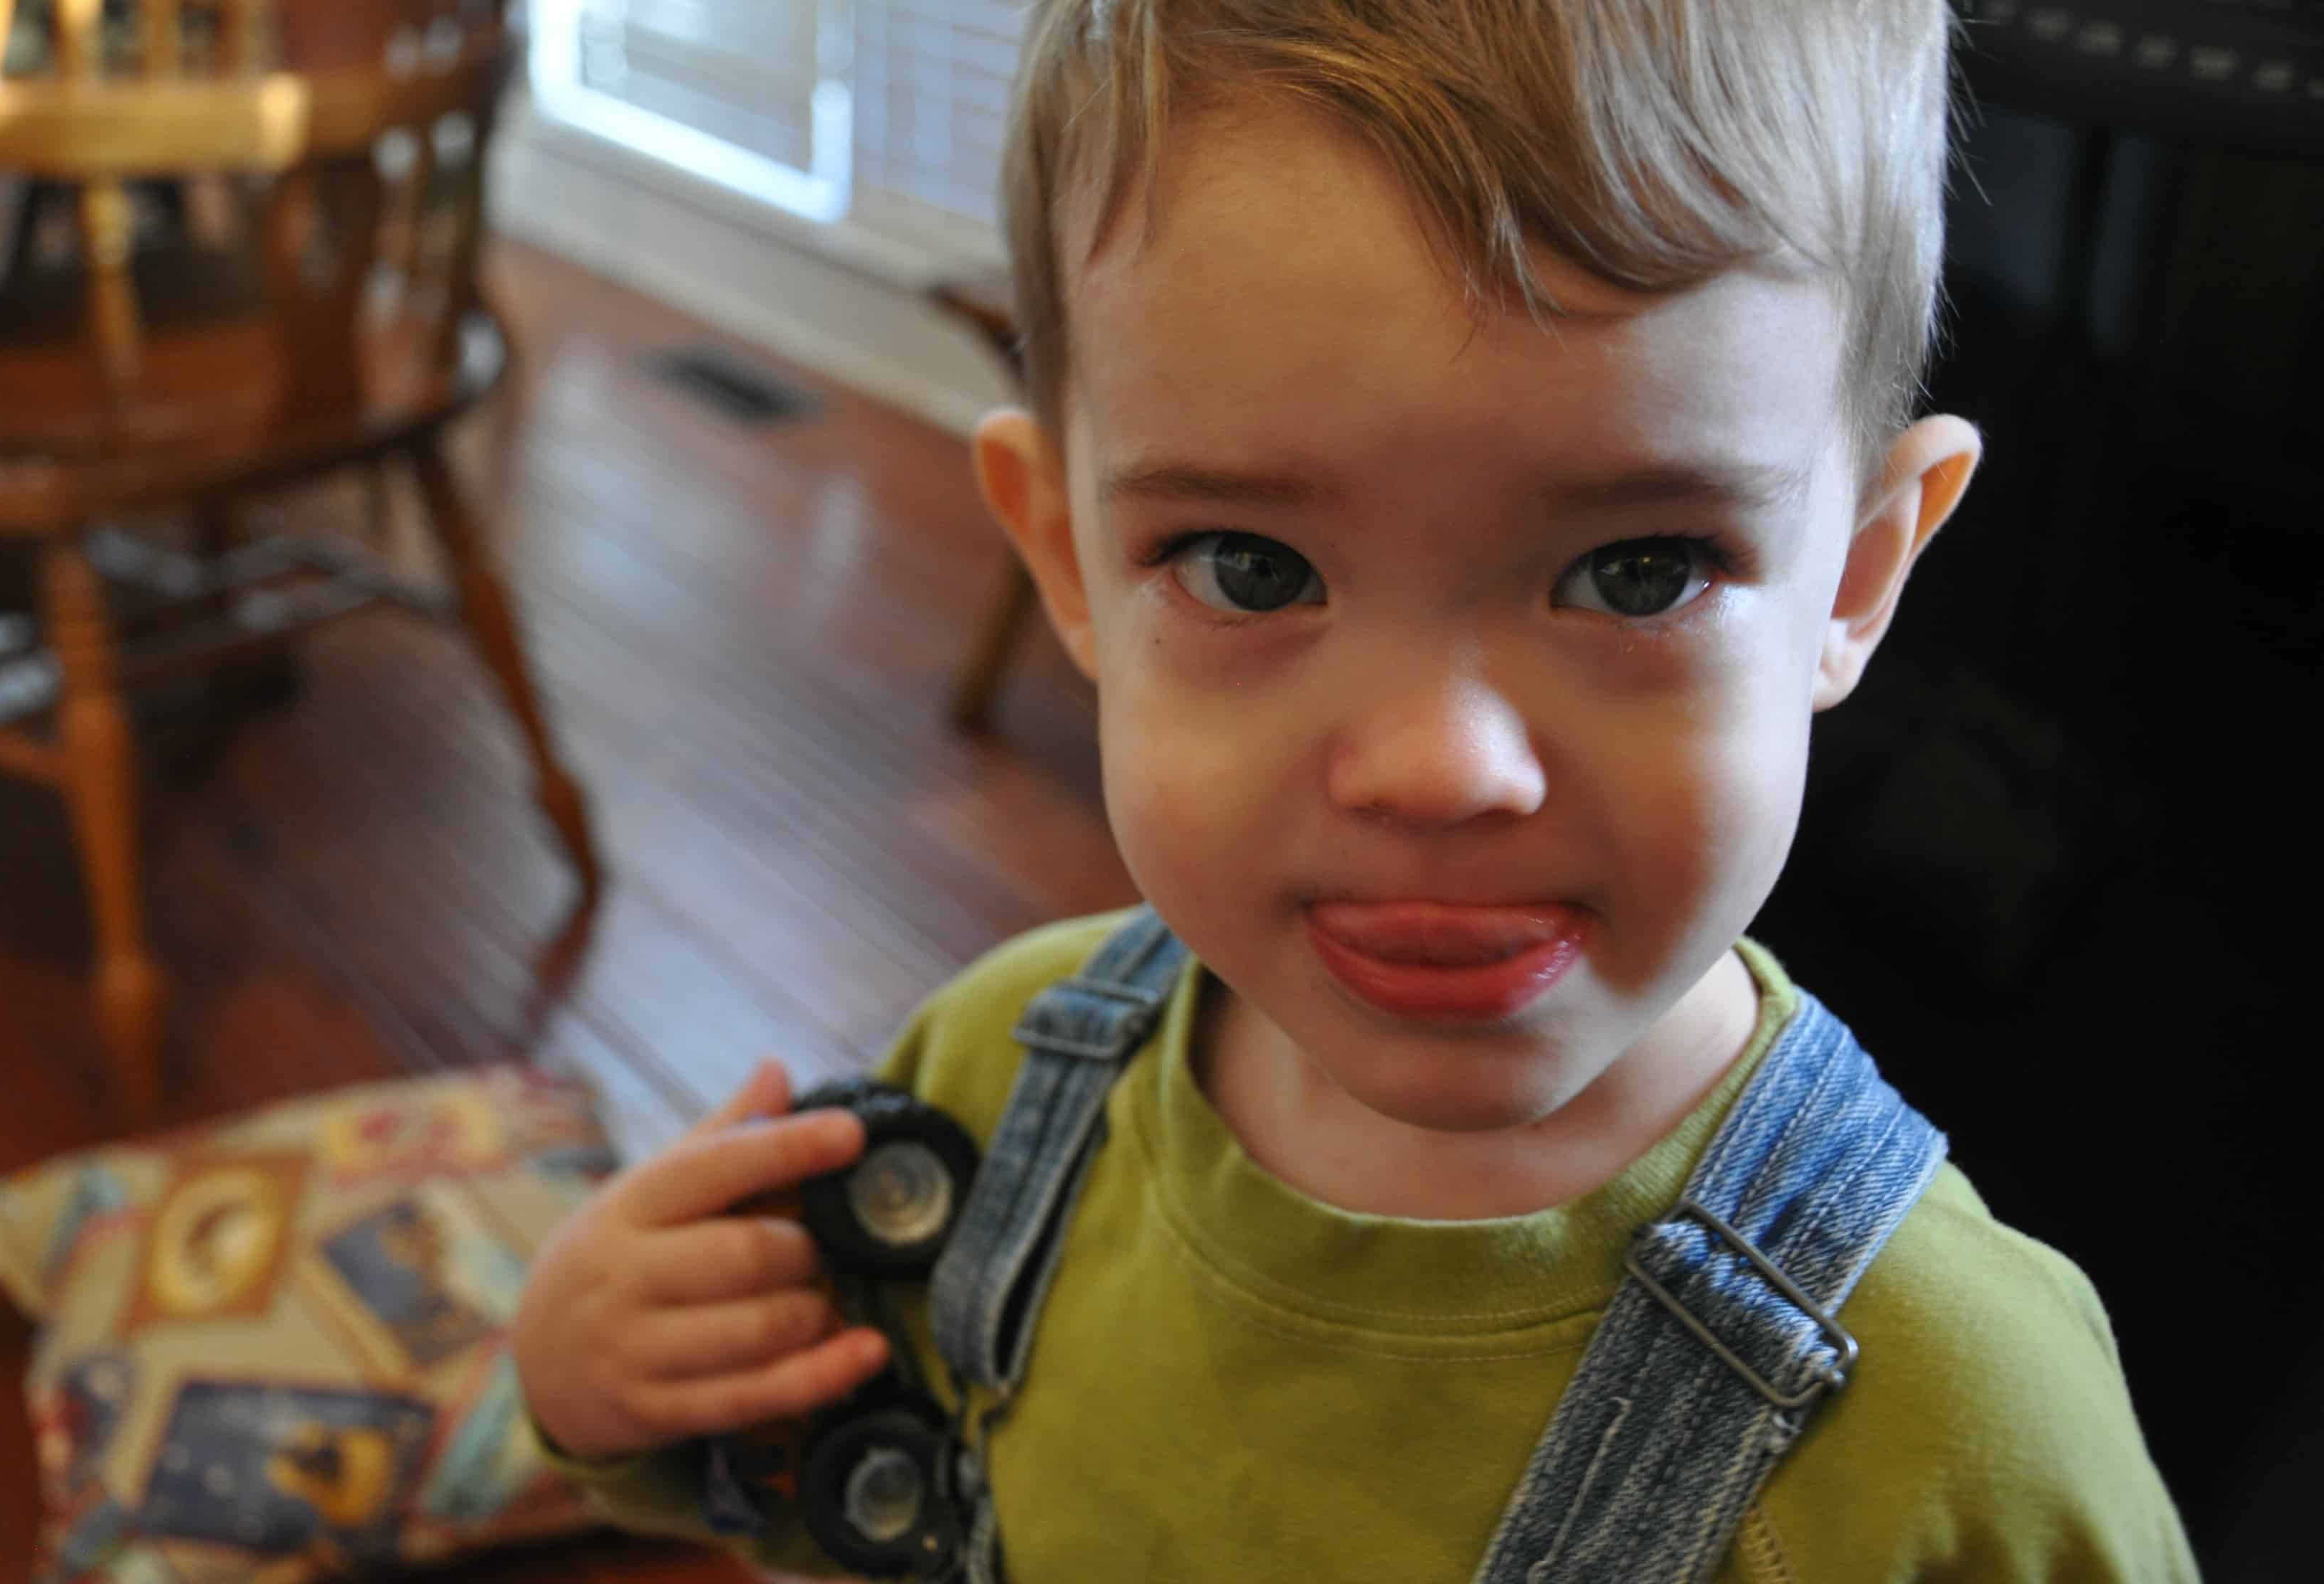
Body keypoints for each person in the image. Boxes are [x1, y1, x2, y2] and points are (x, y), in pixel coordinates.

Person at [511, 1, 2198, 1578]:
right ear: (1068, 562)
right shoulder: (994, 1075)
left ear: (1859, 578)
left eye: (1638, 572)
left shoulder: (1966, 1428)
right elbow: (888, 1481)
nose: (1440, 769)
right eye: (1251, 568)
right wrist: (612, 1398)